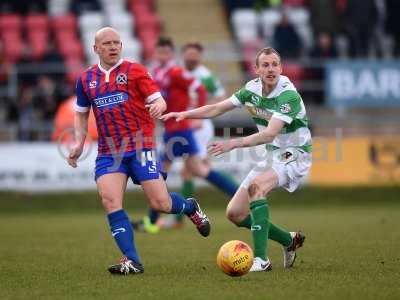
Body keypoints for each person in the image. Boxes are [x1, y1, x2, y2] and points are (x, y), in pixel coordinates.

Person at [67, 27, 211, 275]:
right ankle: (132, 260)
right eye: (107, 43)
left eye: (117, 43)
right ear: (95, 49)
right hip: (109, 151)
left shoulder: (135, 70)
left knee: (161, 203)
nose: (113, 47)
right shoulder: (86, 79)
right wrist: (79, 143)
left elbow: (158, 99)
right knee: (110, 201)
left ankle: (189, 207)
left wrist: (158, 107)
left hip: (140, 145)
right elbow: (81, 114)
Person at [162, 47, 311, 272]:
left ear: (281, 68)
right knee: (235, 213)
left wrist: (234, 143)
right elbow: (216, 108)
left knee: (256, 187)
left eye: (275, 65)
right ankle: (288, 241)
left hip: (295, 153)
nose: (271, 69)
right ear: (256, 69)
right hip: (273, 153)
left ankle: (261, 260)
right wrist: (184, 114)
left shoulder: (287, 94)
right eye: (266, 65)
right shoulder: (251, 90)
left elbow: (269, 133)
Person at [134, 37, 238, 233]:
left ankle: (151, 221)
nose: (162, 56)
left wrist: (196, 115)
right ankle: (239, 194)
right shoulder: (157, 72)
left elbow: (198, 89)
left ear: (172, 54)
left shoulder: (176, 72)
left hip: (180, 129)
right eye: (159, 52)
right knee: (197, 170)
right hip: (174, 129)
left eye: (166, 52)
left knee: (159, 174)